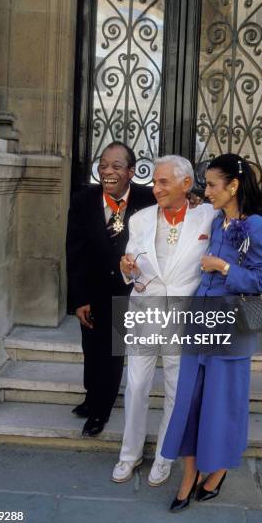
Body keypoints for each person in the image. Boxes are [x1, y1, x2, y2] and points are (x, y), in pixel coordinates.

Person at [161, 153, 262, 512]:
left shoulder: (256, 226)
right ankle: (189, 475)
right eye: (205, 183)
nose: (206, 190)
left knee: (223, 405)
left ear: (234, 186)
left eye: (212, 184)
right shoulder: (213, 220)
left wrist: (224, 266)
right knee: (189, 402)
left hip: (233, 329)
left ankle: (220, 469)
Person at [111, 156, 216, 486]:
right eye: (154, 182)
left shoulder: (207, 216)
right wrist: (126, 267)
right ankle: (129, 454)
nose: (155, 188)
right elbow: (130, 259)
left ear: (186, 185)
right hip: (145, 309)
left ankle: (165, 456)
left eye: (163, 182)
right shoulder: (140, 219)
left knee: (175, 388)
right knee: (138, 384)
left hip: (184, 314)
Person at [66, 142, 155, 437]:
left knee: (112, 352)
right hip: (93, 290)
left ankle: (100, 411)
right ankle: (91, 397)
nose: (108, 171)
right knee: (91, 349)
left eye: (116, 166)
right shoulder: (83, 200)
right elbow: (74, 252)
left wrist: (192, 201)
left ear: (131, 172)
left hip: (128, 291)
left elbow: (178, 204)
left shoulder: (148, 198)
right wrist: (79, 299)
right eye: (103, 165)